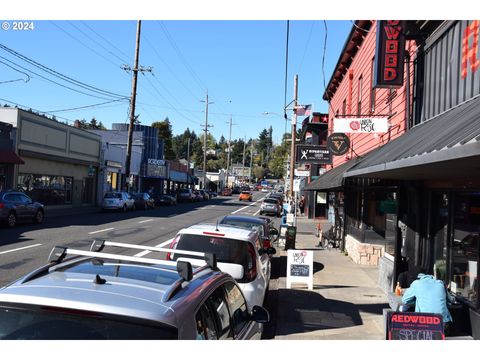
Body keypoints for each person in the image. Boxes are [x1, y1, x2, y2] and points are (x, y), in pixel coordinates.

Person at [402, 268, 454, 332]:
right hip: (443, 324)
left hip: (424, 324)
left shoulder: (416, 283)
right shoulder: (441, 283)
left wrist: (417, 300)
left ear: (419, 278)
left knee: (404, 309)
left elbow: (404, 300)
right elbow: (451, 300)